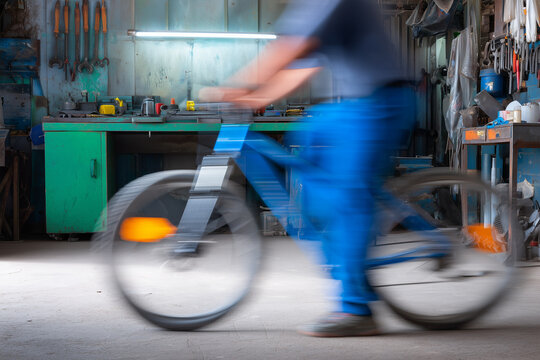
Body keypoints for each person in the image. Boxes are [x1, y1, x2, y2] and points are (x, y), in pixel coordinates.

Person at [200, 0, 416, 337]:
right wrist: (257, 98)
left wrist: (238, 85)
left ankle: (356, 309)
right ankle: (347, 259)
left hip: (381, 101)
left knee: (347, 197)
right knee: (306, 139)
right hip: (353, 104)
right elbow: (304, 63)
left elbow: (292, 48)